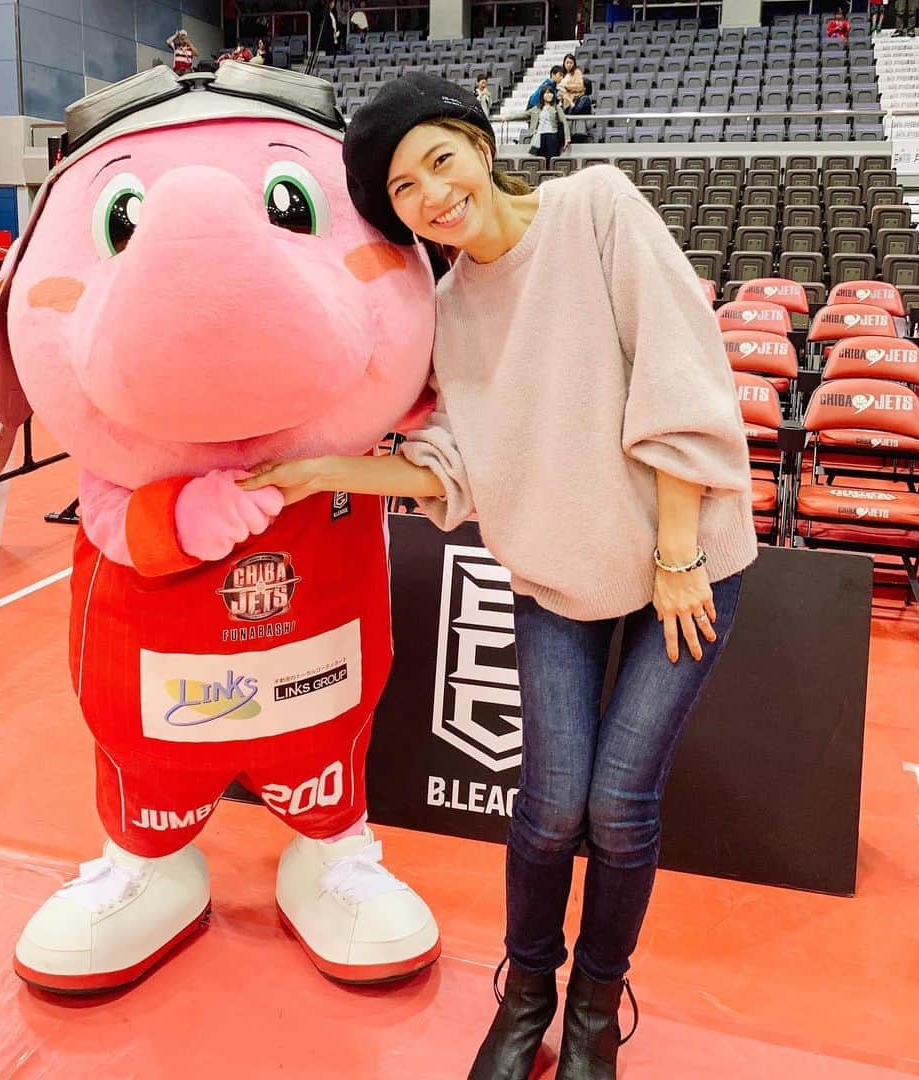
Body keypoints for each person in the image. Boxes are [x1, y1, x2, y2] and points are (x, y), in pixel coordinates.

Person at [241, 73, 757, 1078]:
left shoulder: (597, 205)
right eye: (403, 189)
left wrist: (679, 555)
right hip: (558, 572)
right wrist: (320, 469)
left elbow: (676, 376)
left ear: (480, 144)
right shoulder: (444, 311)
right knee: (550, 804)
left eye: (440, 158)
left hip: (682, 565)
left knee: (619, 806)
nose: (432, 193)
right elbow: (454, 469)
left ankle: (598, 1011)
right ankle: (527, 995)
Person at [509, 84, 570, 165]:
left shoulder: (556, 107)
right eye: (547, 93)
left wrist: (567, 138)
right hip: (540, 137)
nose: (549, 95)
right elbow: (523, 115)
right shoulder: (537, 108)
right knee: (541, 161)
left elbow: (564, 122)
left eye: (551, 93)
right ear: (542, 95)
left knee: (552, 160)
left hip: (552, 136)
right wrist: (507, 118)